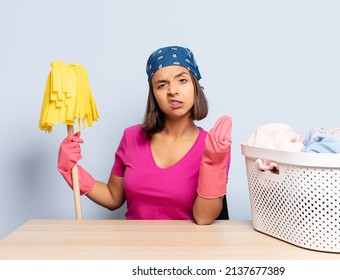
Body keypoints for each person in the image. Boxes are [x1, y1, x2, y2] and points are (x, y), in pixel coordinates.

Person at [57, 46, 232, 225]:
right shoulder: (131, 136)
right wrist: (72, 171)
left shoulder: (213, 146)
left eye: (182, 80)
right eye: (162, 85)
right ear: (154, 95)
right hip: (134, 248)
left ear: (195, 86)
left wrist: (213, 162)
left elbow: (204, 218)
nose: (173, 91)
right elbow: (112, 197)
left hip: (186, 250)